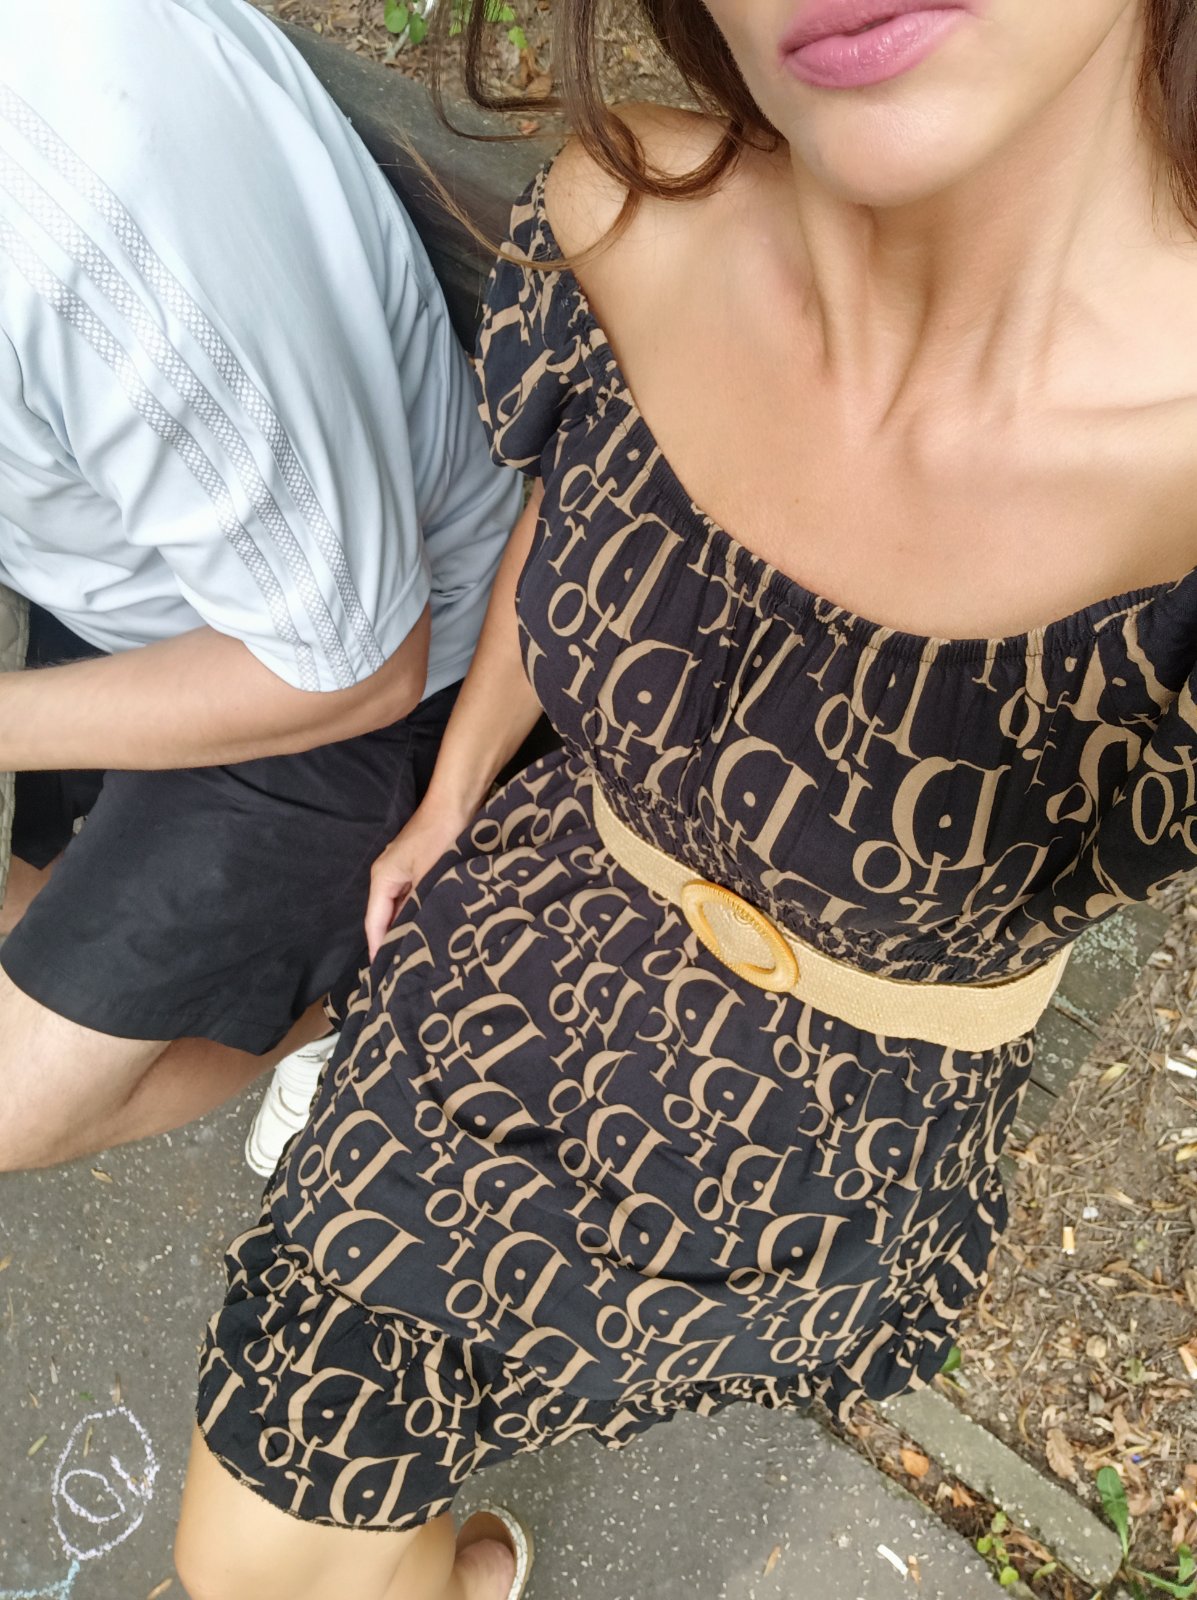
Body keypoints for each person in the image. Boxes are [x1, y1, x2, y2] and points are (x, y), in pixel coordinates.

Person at [174, 0, 1197, 1596]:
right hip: (521, 960)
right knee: (253, 1562)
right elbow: (580, 513)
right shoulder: (630, 208)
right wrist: (455, 794)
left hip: (812, 1159)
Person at [0, 0, 520, 1174]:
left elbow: (355, 669)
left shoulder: (84, 227)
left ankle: (377, 995)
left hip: (358, 662)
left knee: (13, 1102)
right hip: (147, 574)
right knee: (36, 904)